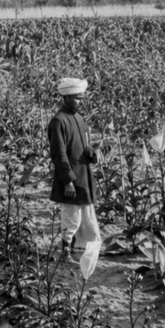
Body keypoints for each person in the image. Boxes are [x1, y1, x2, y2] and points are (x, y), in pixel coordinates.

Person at [48, 77, 100, 264]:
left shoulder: (79, 119)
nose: (81, 102)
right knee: (71, 217)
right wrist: (67, 180)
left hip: (83, 175)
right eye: (78, 98)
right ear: (66, 97)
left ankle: (78, 247)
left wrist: (94, 152)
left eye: (82, 98)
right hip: (71, 178)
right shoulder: (58, 121)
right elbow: (59, 154)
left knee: (85, 216)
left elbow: (84, 146)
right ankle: (65, 253)